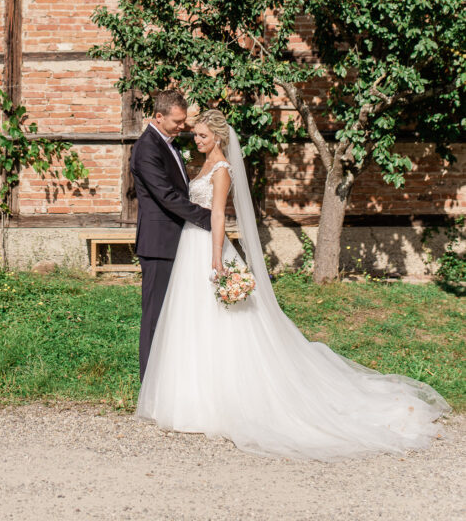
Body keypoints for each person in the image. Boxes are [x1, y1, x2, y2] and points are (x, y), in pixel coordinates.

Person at [136, 108, 450, 460]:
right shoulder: (204, 164)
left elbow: (219, 214)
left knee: (221, 322)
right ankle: (187, 395)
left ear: (219, 137)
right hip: (189, 246)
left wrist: (216, 258)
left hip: (208, 246)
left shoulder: (221, 169)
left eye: (203, 136)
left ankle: (219, 399)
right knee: (190, 320)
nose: (196, 139)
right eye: (195, 134)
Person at [129, 90, 212, 380]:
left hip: (177, 240)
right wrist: (208, 218)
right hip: (158, 244)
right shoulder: (146, 149)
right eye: (177, 121)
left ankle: (169, 378)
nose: (182, 126)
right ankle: (149, 383)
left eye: (183, 120)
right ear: (158, 116)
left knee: (174, 313)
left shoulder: (168, 144)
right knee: (155, 316)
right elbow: (166, 196)